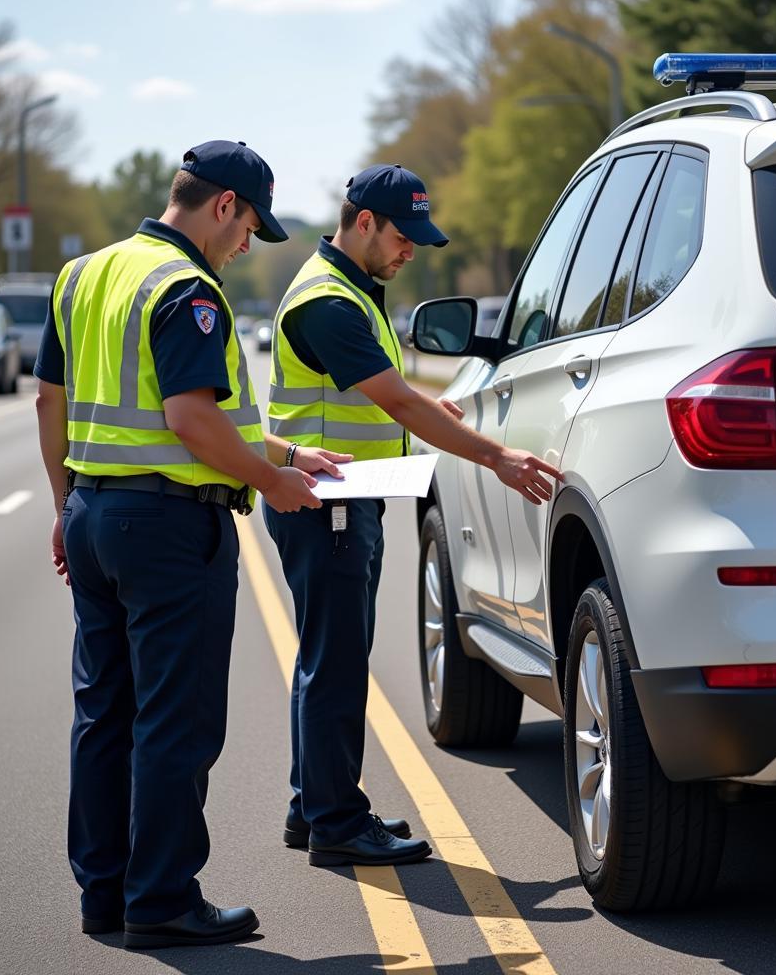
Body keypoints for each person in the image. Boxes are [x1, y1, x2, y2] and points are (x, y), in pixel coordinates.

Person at [34, 140, 350, 949]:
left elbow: (51, 401)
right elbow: (190, 419)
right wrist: (271, 484)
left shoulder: (85, 275)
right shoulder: (186, 288)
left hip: (97, 516)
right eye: (250, 226)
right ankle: (164, 898)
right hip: (172, 531)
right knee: (175, 720)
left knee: (103, 714)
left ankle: (104, 894)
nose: (247, 244)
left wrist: (67, 509)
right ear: (221, 206)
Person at [264, 164, 564, 867]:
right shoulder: (329, 302)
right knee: (335, 664)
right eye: (403, 237)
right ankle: (337, 821)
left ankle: (314, 805)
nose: (409, 253)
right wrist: (497, 457)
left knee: (325, 658)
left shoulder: (349, 292)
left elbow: (387, 398)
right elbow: (398, 401)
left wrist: (432, 413)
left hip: (335, 499)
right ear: (362, 221)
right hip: (328, 505)